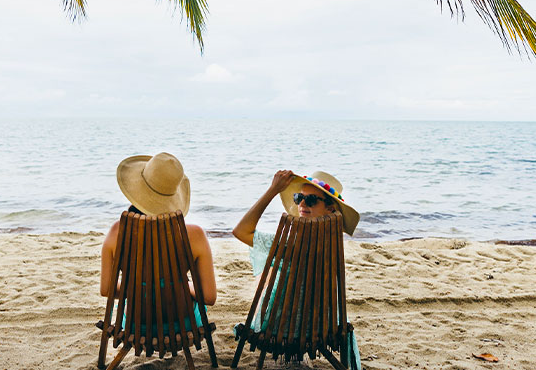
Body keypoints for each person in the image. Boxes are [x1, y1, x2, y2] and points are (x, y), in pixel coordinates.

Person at [232, 169, 361, 369]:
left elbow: (240, 231)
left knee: (267, 275)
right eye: (299, 197)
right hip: (324, 324)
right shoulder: (332, 242)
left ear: (330, 208)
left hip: (280, 326)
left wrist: (272, 190)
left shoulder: (288, 244)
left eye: (311, 200)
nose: (301, 204)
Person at [100, 152, 217, 314]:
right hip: (181, 324)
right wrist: (181, 287)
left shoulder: (117, 232)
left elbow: (107, 289)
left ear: (136, 190)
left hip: (136, 326)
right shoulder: (194, 235)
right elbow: (209, 297)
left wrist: (138, 289)